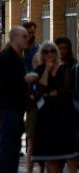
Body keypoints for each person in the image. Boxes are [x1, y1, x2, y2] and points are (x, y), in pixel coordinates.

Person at [32, 41, 79, 173]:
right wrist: (47, 68)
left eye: (52, 51)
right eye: (46, 52)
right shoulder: (40, 69)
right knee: (50, 152)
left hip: (63, 111)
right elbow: (41, 87)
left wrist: (54, 92)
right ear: (43, 54)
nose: (50, 54)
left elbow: (66, 87)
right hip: (46, 114)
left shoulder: (64, 67)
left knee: (69, 150)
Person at [0, 26, 30, 172]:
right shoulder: (6, 57)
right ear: (14, 38)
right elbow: (3, 85)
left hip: (16, 110)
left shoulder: (18, 57)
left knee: (14, 150)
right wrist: (24, 80)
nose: (27, 39)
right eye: (24, 36)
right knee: (7, 150)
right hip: (8, 109)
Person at [22, 21, 43, 173]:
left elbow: (42, 74)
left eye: (33, 32)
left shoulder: (40, 50)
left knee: (35, 138)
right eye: (28, 32)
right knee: (28, 137)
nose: (31, 35)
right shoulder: (19, 50)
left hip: (37, 98)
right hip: (20, 97)